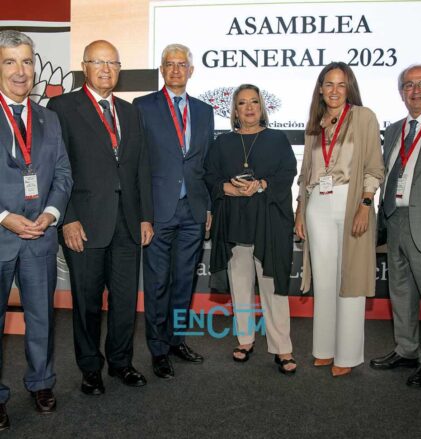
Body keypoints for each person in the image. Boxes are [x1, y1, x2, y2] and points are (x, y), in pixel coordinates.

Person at [47, 40, 154, 395]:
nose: (106, 69)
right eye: (98, 62)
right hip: (84, 224)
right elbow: (56, 168)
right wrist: (67, 218)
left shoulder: (130, 111)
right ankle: (90, 368)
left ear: (120, 69)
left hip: (127, 222)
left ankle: (121, 363)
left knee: (124, 302)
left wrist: (145, 217)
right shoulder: (62, 106)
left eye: (112, 63)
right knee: (87, 303)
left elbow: (140, 168)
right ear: (84, 66)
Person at [0, 30, 72, 428]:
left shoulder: (50, 117)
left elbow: (63, 173)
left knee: (41, 316)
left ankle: (42, 381)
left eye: (27, 61)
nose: (20, 71)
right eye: (10, 61)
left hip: (41, 234)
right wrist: (4, 217)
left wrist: (51, 213)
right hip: (0, 232)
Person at [295, 62, 384, 377]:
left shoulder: (364, 117)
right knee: (325, 279)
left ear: (350, 88)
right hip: (317, 204)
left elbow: (374, 167)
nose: (334, 90)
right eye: (328, 84)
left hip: (351, 202)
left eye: (341, 84)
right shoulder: (315, 124)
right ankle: (324, 349)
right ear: (320, 88)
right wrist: (300, 211)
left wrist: (364, 204)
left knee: (350, 279)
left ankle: (346, 355)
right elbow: (306, 174)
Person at [133, 44, 214, 379]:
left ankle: (176, 341)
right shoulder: (142, 107)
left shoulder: (205, 110)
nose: (177, 70)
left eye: (183, 64)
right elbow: (137, 163)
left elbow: (206, 164)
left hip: (193, 210)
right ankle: (157, 349)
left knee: (184, 283)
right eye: (170, 64)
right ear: (162, 70)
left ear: (191, 71)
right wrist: (143, 214)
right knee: (157, 285)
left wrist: (208, 205)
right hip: (159, 211)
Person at [204, 84, 297, 374]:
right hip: (234, 222)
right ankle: (245, 339)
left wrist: (262, 185)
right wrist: (229, 189)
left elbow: (287, 173)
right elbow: (209, 176)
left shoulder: (277, 139)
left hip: (269, 221)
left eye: (254, 101)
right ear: (234, 110)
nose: (249, 107)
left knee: (273, 285)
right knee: (240, 285)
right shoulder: (221, 144)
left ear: (262, 107)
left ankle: (283, 347)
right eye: (242, 103)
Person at [370, 64, 421, 388]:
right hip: (395, 221)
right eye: (409, 85)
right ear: (401, 92)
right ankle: (407, 349)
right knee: (402, 293)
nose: (416, 91)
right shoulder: (396, 129)